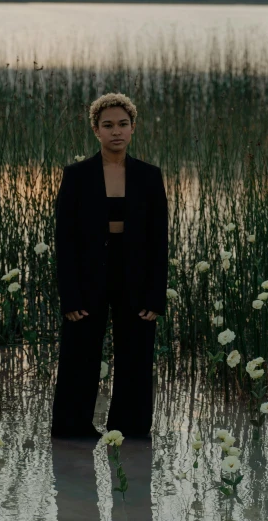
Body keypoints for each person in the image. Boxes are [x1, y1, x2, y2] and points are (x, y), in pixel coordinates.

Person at [51, 92, 168, 440]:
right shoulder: (77, 175)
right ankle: (72, 430)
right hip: (89, 276)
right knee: (79, 353)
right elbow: (65, 240)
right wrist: (70, 297)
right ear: (96, 130)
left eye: (122, 124)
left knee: (135, 354)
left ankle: (129, 430)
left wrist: (155, 297)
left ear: (133, 129)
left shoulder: (149, 176)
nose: (116, 131)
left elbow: (159, 241)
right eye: (108, 125)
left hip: (135, 275)